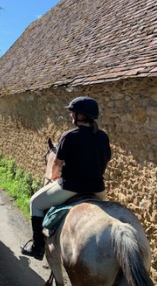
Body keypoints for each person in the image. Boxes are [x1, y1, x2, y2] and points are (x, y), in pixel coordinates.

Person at [21, 96, 111, 260]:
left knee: (35, 202)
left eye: (73, 113)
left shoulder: (69, 136)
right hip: (98, 189)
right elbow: (105, 164)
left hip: (70, 187)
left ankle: (37, 247)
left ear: (81, 116)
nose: (71, 116)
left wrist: (55, 177)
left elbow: (57, 163)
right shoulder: (103, 136)